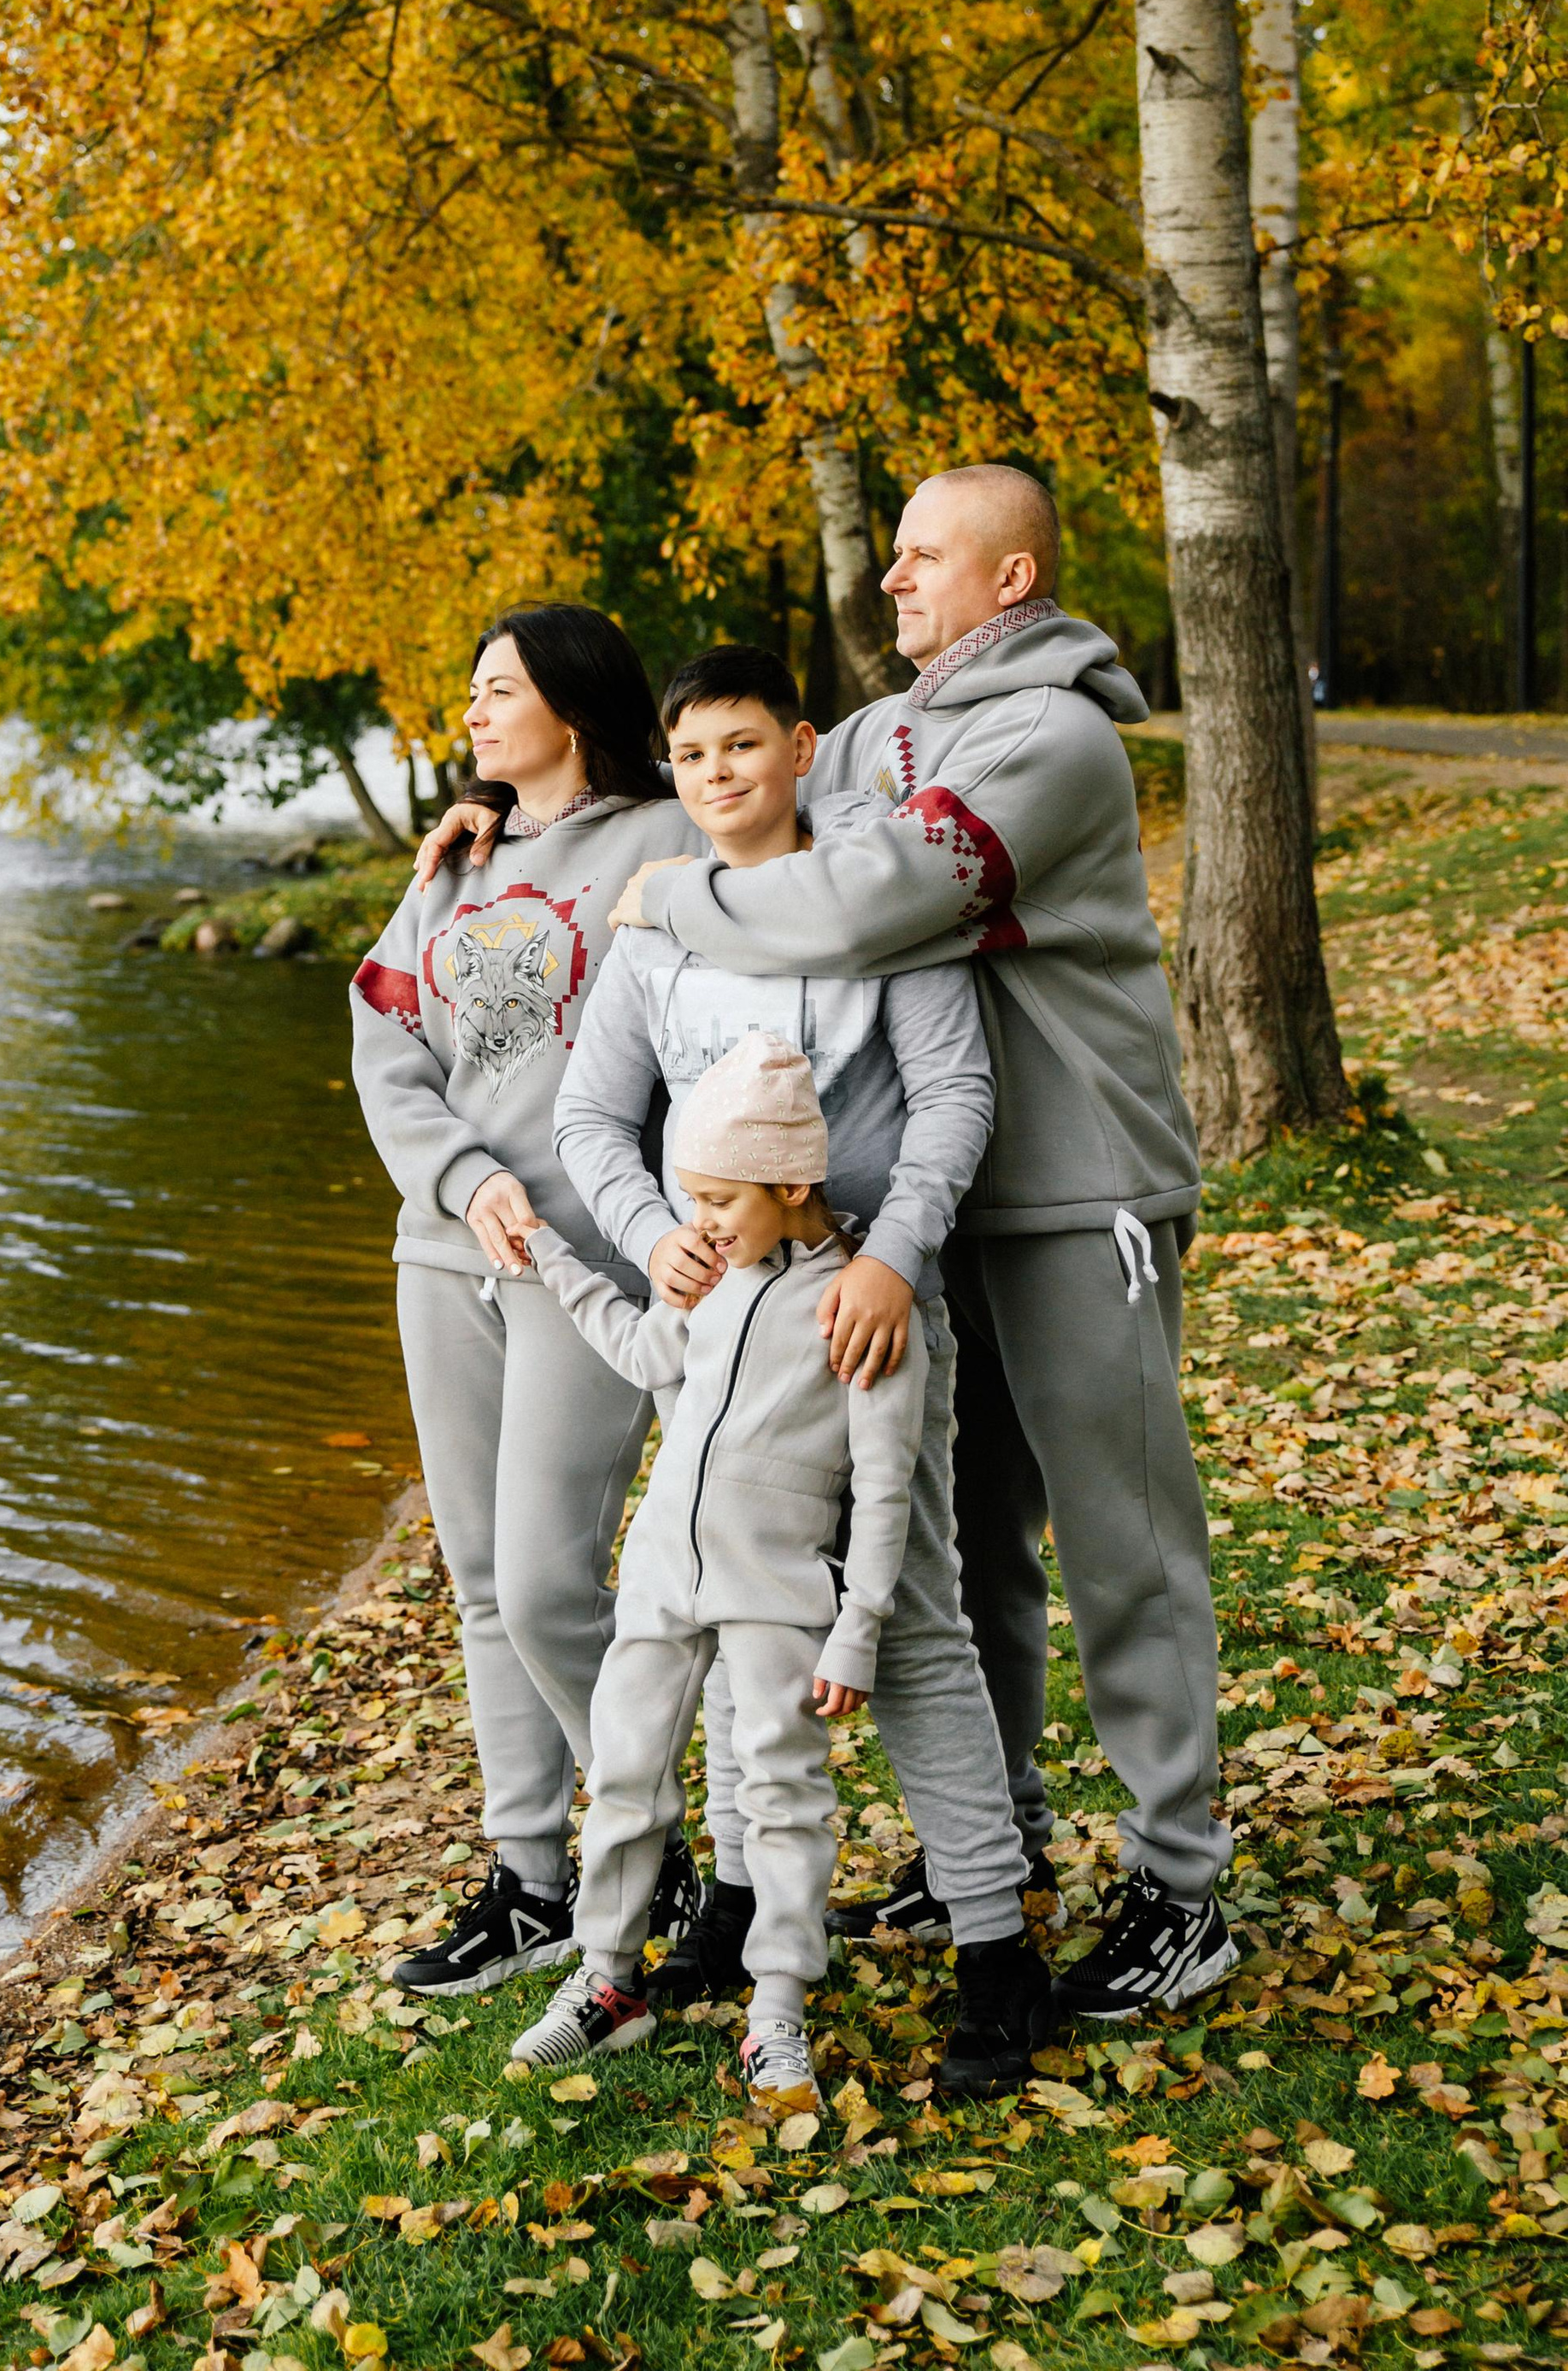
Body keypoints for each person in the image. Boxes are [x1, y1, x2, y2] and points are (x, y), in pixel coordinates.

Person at [422, 472, 1233, 2025]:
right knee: (969, 1550)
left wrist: (679, 899)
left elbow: (864, 903)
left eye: (923, 558)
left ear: (1010, 578)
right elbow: (728, 779)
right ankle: (995, 1846)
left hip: (1079, 1186)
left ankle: (1181, 1888)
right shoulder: (875, 736)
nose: (894, 580)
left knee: (1124, 1546)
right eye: (897, 554)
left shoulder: (1052, 737)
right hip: (929, 1221)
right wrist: (501, 832)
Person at [552, 645, 1043, 2078]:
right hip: (722, 1332)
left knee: (916, 1623)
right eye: (692, 754)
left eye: (744, 746)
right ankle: (734, 1907)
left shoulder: (874, 903)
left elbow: (955, 1092)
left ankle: (996, 1950)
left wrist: (894, 1256)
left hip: (865, 1313)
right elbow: (591, 1118)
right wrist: (657, 1236)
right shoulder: (656, 928)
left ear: (801, 747)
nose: (718, 776)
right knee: (726, 1613)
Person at [508, 1033, 1049, 2108]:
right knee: (623, 1779)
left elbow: (887, 1489)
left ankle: (777, 2014)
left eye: (719, 1198)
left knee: (783, 1798)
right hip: (663, 1578)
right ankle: (606, 1982)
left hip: (776, 1594)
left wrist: (858, 1628)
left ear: (792, 1185)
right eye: (691, 1195)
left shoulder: (860, 1306)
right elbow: (646, 1353)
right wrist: (555, 1262)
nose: (698, 1220)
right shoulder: (711, 1281)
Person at [349, 602, 705, 1995]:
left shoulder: (671, 834)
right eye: (473, 691)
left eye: (499, 689)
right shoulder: (461, 858)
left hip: (588, 1261)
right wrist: (458, 1179)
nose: (474, 712)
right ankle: (532, 1884)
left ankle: (653, 1841)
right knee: (484, 1583)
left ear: (572, 701)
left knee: (552, 1579)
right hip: (447, 1255)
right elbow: (385, 1033)